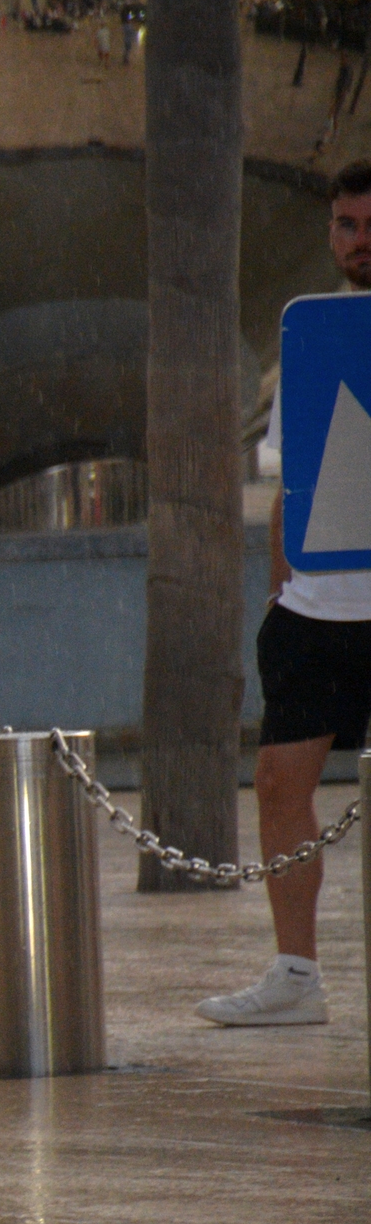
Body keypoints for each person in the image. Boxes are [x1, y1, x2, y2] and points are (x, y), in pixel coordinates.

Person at [196, 158, 371, 1026]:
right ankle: (296, 975)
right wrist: (279, 592)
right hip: (316, 609)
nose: (359, 242)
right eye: (346, 225)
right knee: (277, 782)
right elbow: (289, 482)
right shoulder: (312, 338)